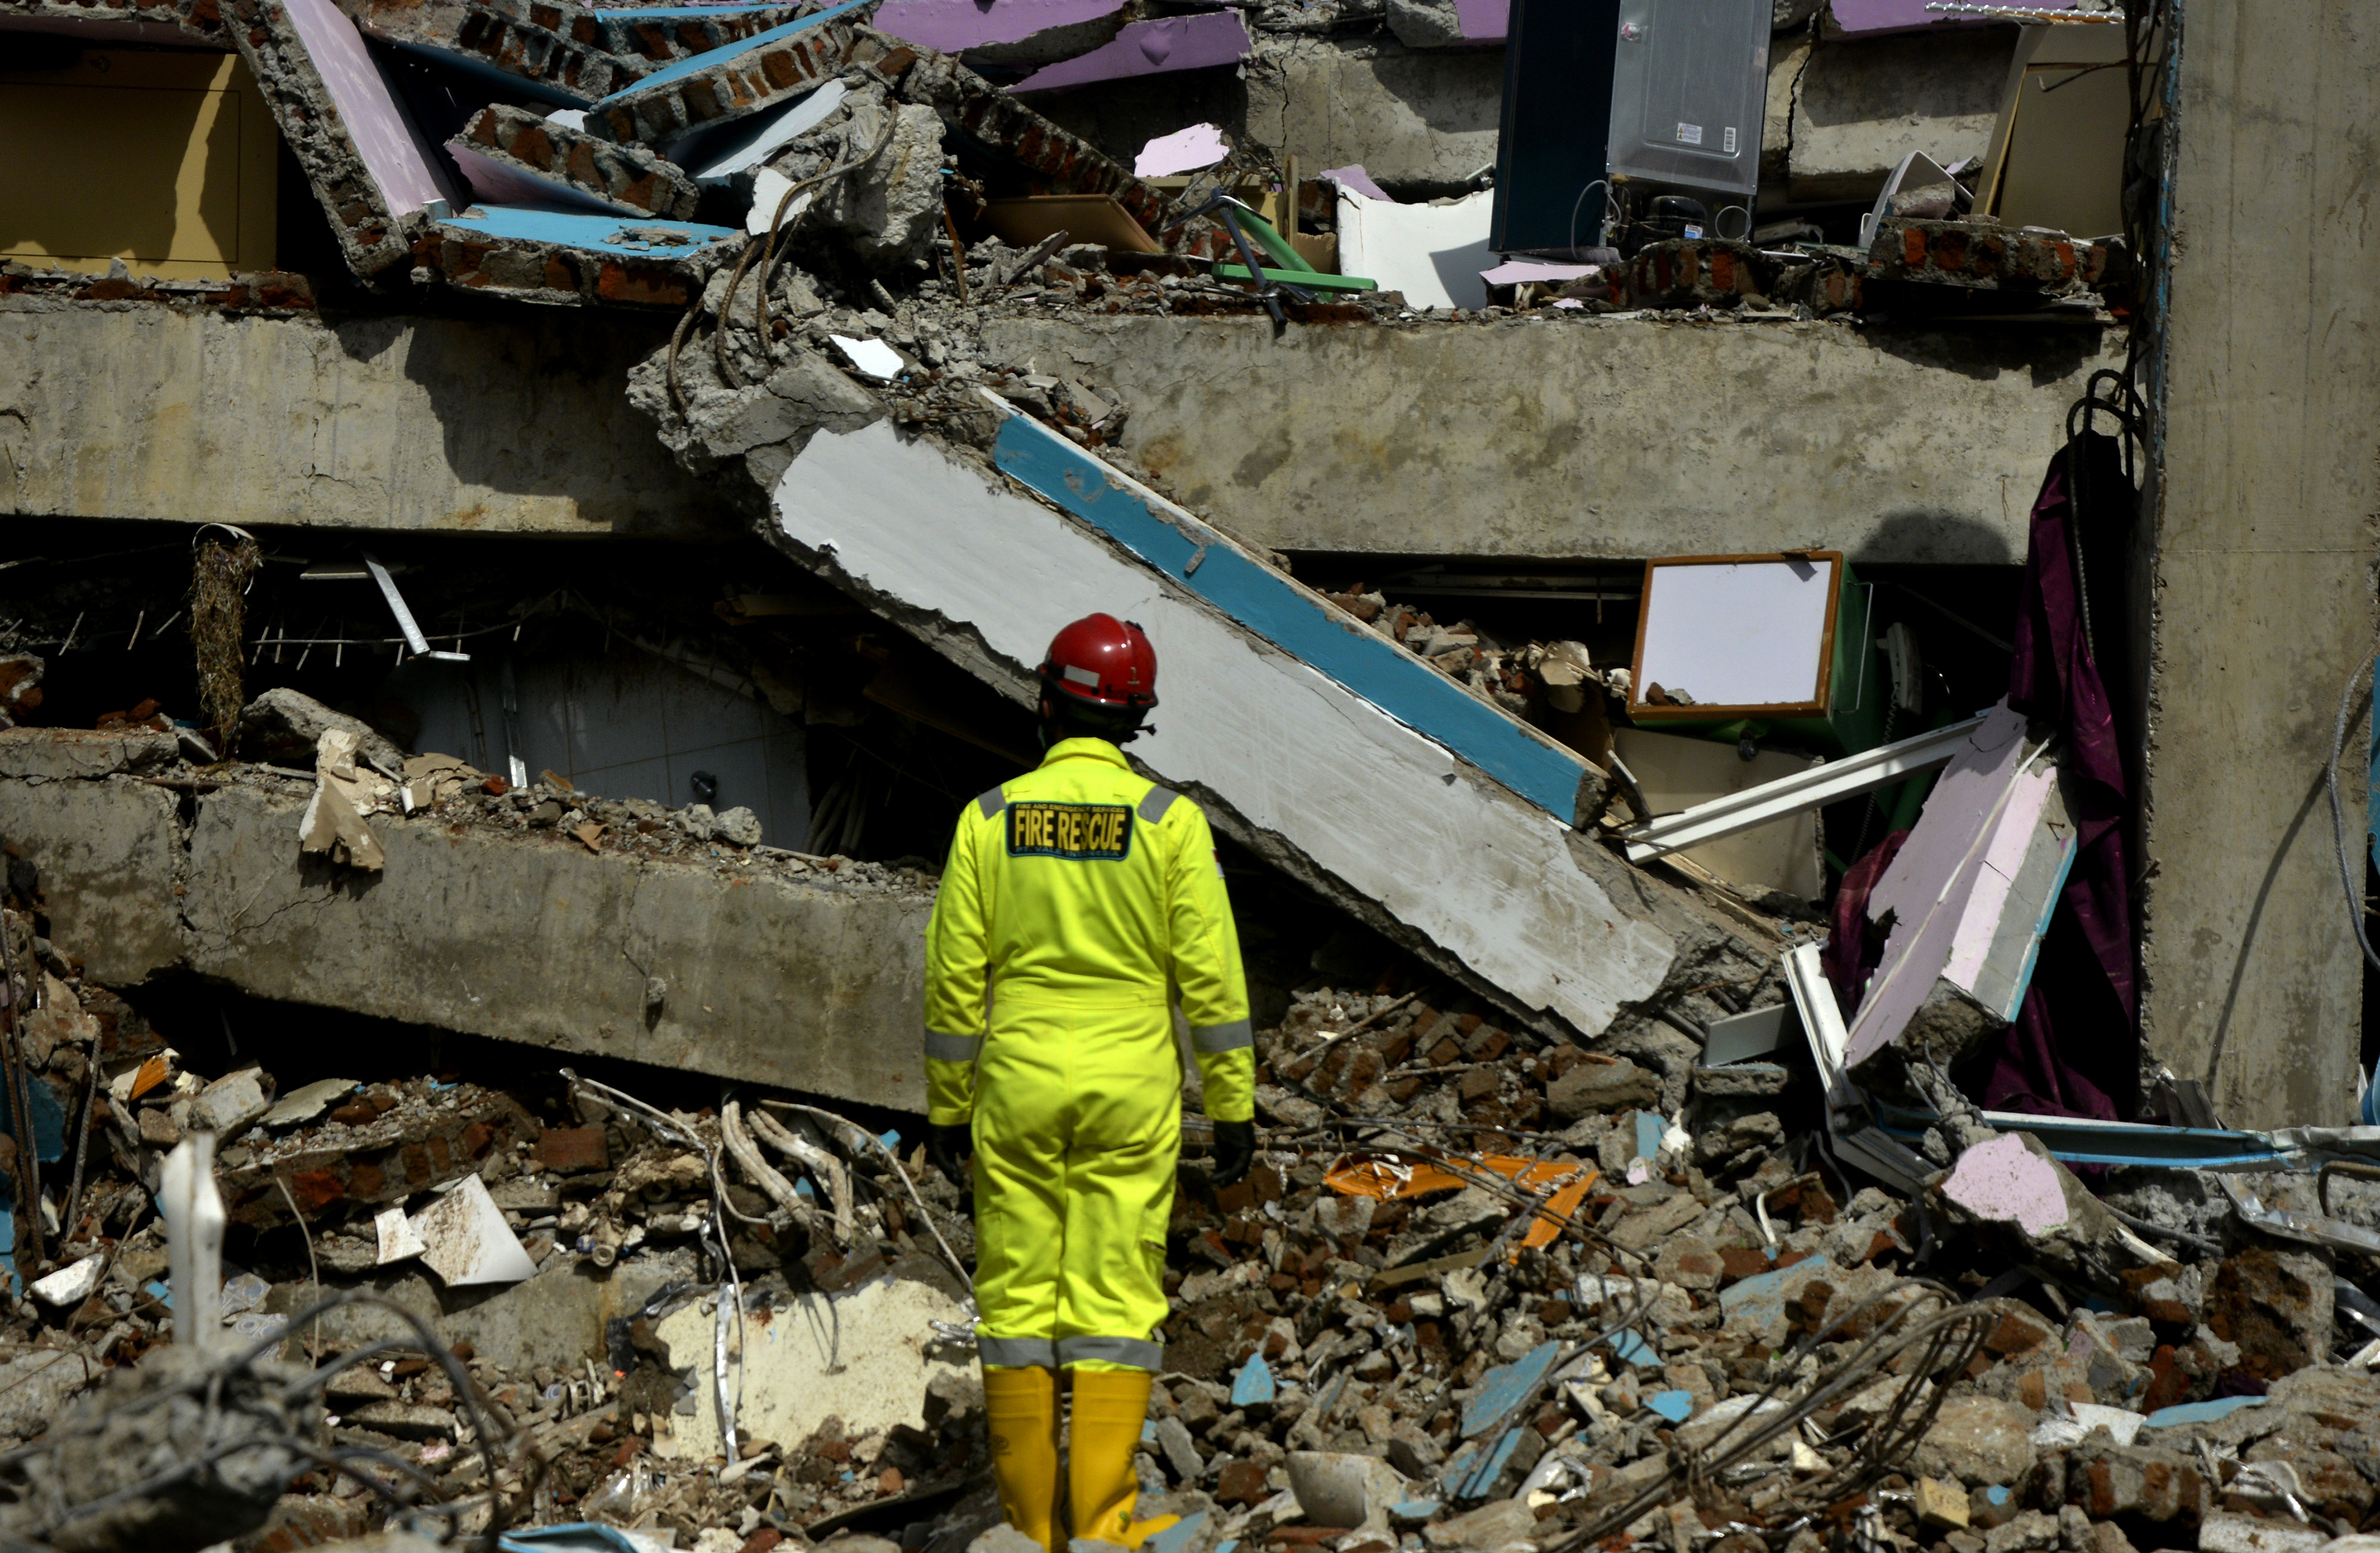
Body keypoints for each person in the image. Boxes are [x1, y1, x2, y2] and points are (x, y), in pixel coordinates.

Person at [922, 612, 1257, 1553]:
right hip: (1129, 1091)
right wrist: (1232, 1102)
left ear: (1046, 703)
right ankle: (1104, 1524)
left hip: (1019, 1084)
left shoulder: (989, 819)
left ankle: (1030, 1528)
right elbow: (1212, 980)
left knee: (1018, 1303)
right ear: (1137, 718)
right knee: (1114, 1302)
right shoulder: (1169, 824)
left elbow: (953, 980)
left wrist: (949, 1105)